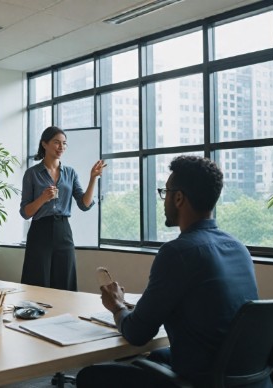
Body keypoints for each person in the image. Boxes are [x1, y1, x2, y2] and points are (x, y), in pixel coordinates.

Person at [76, 155, 261, 387]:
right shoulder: (238, 247)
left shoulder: (178, 252)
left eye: (165, 192)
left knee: (89, 376)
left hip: (204, 379)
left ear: (179, 198)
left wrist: (117, 305)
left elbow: (137, 334)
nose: (164, 200)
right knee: (155, 357)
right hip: (241, 374)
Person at [20, 125, 106, 291]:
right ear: (44, 144)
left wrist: (93, 178)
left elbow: (85, 204)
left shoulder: (70, 173)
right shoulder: (32, 174)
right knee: (37, 281)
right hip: (40, 231)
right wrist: (43, 198)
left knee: (65, 281)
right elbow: (25, 212)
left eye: (64, 143)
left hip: (63, 231)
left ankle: (65, 316)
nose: (61, 147)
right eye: (56, 142)